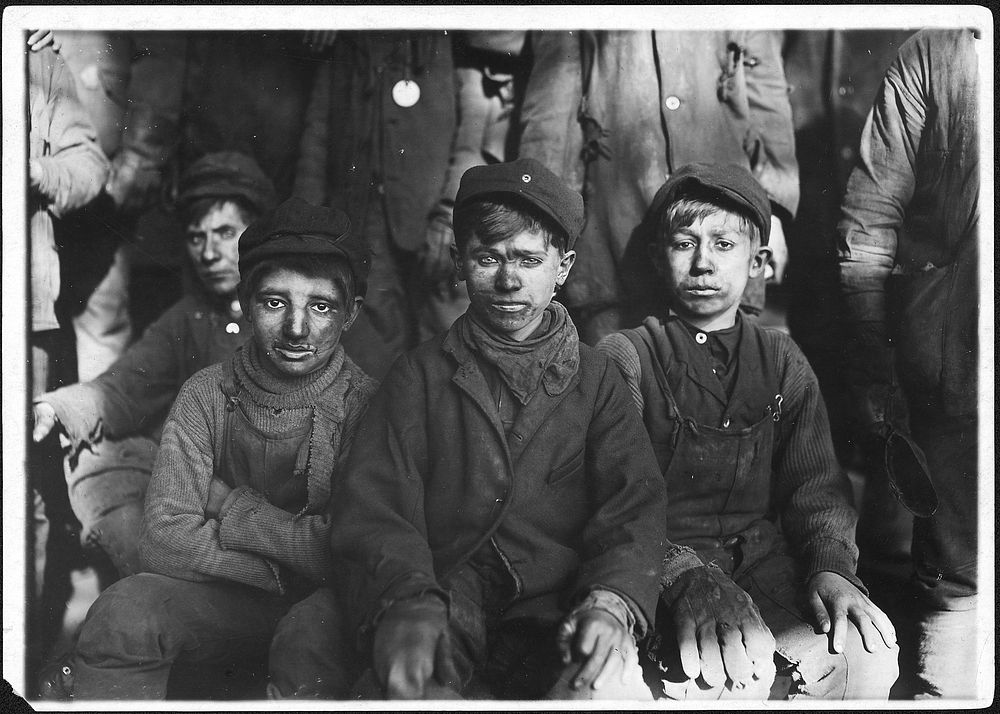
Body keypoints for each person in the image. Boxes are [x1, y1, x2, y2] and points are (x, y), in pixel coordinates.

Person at [40, 197, 376, 700]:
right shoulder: (206, 394)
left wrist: (229, 508)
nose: (297, 329)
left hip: (326, 609)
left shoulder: (364, 406)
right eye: (274, 302)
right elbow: (163, 540)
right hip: (227, 602)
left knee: (308, 639)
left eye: (321, 306)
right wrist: (285, 566)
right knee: (122, 611)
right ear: (245, 299)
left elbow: (348, 552)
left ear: (350, 314)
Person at [597, 163, 899, 700]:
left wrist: (831, 568)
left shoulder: (781, 358)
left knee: (863, 656)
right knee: (716, 679)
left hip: (763, 559)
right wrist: (682, 577)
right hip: (660, 567)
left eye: (724, 242)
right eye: (684, 243)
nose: (703, 261)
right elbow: (617, 502)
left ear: (757, 261)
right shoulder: (626, 357)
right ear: (655, 257)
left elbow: (816, 489)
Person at [31, 151, 276, 579]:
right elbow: (126, 384)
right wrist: (61, 407)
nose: (209, 252)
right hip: (199, 497)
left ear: (257, 235)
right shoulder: (189, 315)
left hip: (269, 506)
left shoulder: (289, 314)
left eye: (225, 233)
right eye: (197, 238)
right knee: (95, 455)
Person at [836, 29, 984, 699]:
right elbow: (868, 217)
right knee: (956, 582)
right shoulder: (937, 52)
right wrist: (873, 352)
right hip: (958, 346)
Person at [517, 30, 798, 344]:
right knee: (619, 375)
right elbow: (553, 109)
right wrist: (543, 220)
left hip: (728, 225)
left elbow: (767, 95)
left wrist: (773, 211)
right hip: (614, 239)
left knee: (722, 376)